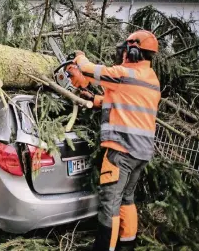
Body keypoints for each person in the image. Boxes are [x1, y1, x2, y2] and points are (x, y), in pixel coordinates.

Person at [65, 30, 161, 251]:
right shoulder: (151, 79)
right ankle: (127, 247)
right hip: (141, 154)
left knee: (110, 204)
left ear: (134, 51)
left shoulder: (124, 73)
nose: (124, 54)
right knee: (127, 199)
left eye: (127, 50)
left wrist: (79, 58)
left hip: (120, 152)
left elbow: (91, 70)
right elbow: (126, 100)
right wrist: (95, 99)